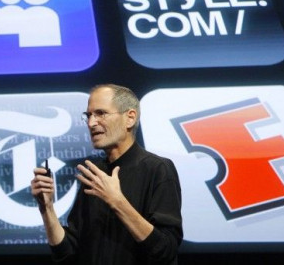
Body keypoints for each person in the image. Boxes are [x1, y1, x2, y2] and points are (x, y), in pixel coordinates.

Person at [30, 84, 182, 264]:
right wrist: (46, 208)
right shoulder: (94, 174)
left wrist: (117, 201)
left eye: (101, 114)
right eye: (88, 115)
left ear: (130, 118)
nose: (91, 123)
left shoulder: (158, 169)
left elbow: (166, 249)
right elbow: (67, 252)